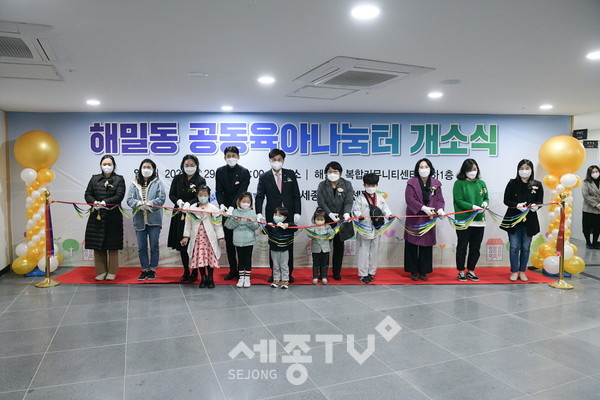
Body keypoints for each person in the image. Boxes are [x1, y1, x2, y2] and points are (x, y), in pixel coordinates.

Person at [255, 148, 301, 283]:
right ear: (270, 160)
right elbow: (259, 196)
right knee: (273, 244)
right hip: (273, 215)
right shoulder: (264, 177)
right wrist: (258, 212)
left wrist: (297, 212)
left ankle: (288, 273)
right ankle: (274, 273)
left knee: (288, 244)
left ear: (283, 160)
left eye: (279, 159)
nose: (276, 162)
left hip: (288, 215)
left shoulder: (290, 174)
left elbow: (296, 195)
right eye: (274, 159)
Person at [84, 155, 126, 281]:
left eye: (109, 164)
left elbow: (119, 196)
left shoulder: (119, 179)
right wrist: (93, 202)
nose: (107, 166)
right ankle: (101, 271)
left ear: (114, 165)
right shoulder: (94, 179)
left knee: (112, 245)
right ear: (101, 165)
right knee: (98, 245)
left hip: (113, 217)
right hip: (96, 216)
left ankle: (112, 271)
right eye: (104, 164)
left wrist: (105, 202)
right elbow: (87, 194)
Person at [501, 159, 543, 281]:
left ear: (531, 170)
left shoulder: (537, 184)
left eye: (527, 168)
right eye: (522, 168)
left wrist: (536, 206)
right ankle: (514, 271)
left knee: (525, 247)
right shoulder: (512, 183)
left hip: (529, 221)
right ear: (518, 170)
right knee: (514, 247)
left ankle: (522, 271)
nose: (524, 171)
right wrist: (517, 205)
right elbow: (506, 200)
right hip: (513, 220)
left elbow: (540, 201)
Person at [404, 159, 445, 281]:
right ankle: (413, 270)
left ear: (430, 168)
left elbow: (439, 200)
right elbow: (409, 199)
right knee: (412, 244)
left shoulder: (436, 184)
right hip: (415, 218)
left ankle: (423, 271)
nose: (424, 169)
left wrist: (440, 210)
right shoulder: (411, 183)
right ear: (417, 170)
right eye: (421, 167)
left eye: (426, 166)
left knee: (426, 245)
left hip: (428, 219)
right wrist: (423, 208)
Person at [167, 154, 206, 282]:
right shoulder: (177, 178)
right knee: (182, 242)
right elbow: (172, 194)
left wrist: (190, 203)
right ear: (183, 166)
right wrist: (178, 201)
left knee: (194, 242)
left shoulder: (200, 180)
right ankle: (186, 270)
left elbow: (202, 196)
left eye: (192, 165)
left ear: (196, 166)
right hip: (179, 214)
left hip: (194, 214)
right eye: (187, 165)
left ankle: (195, 271)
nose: (189, 167)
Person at [126, 159, 166, 281]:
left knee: (154, 245)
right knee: (141, 247)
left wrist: (150, 204)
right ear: (140, 169)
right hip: (139, 221)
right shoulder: (134, 184)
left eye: (149, 167)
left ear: (153, 169)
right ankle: (144, 269)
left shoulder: (158, 183)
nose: (146, 169)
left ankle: (152, 269)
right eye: (144, 167)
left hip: (154, 221)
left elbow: (161, 198)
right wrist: (138, 204)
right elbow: (129, 199)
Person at [215, 146, 251, 281]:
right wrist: (221, 205)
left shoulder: (244, 172)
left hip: (239, 210)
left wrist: (232, 206)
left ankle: (242, 270)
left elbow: (241, 192)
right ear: (225, 157)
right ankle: (233, 270)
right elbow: (219, 190)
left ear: (238, 157)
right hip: (225, 212)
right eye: (228, 156)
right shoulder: (220, 171)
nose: (231, 158)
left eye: (233, 156)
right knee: (229, 243)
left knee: (241, 242)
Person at [181, 185, 224, 289]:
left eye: (205, 195)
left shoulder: (213, 208)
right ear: (197, 195)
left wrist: (221, 237)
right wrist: (186, 236)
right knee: (200, 258)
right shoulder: (192, 208)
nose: (203, 197)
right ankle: (203, 278)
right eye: (200, 195)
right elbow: (188, 223)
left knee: (209, 259)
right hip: (198, 239)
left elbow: (218, 224)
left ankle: (210, 278)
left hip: (209, 239)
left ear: (209, 195)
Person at [316, 161, 354, 280]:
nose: (332, 174)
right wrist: (330, 214)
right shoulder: (322, 185)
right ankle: (323, 273)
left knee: (339, 247)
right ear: (326, 173)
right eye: (330, 171)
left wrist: (346, 213)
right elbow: (321, 202)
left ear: (340, 173)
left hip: (341, 220)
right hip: (326, 220)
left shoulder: (347, 184)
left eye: (335, 171)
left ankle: (337, 272)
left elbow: (349, 201)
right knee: (324, 247)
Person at [452, 158, 489, 282]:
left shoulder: (481, 183)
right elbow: (459, 201)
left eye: (475, 169)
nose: (473, 172)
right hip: (464, 220)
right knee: (462, 246)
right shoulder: (459, 183)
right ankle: (461, 271)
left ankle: (471, 270)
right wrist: (473, 207)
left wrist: (485, 203)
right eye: (470, 169)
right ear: (464, 170)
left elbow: (486, 197)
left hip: (479, 221)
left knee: (475, 247)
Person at [352, 173, 392, 283]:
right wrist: (359, 215)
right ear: (364, 185)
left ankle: (371, 272)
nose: (371, 187)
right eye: (369, 185)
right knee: (363, 251)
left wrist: (389, 215)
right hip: (364, 228)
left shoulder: (380, 197)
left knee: (374, 251)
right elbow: (355, 210)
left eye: (373, 185)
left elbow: (385, 209)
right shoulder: (359, 198)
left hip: (377, 227)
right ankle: (363, 274)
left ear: (377, 185)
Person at [224, 192, 259, 288]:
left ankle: (247, 278)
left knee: (247, 259)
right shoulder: (234, 212)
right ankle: (241, 277)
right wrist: (235, 221)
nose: (245, 204)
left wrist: (250, 222)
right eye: (244, 201)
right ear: (239, 202)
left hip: (249, 240)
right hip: (238, 240)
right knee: (240, 259)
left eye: (248, 202)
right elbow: (229, 226)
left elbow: (256, 226)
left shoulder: (252, 212)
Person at [264, 206, 296, 289]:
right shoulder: (272, 224)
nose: (276, 216)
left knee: (284, 265)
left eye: (279, 215)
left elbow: (295, 228)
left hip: (284, 249)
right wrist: (268, 226)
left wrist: (287, 225)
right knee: (275, 265)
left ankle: (285, 280)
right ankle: (276, 280)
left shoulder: (287, 225)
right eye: (275, 214)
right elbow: (263, 232)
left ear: (284, 217)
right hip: (274, 248)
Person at [308, 207, 334, 285]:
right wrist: (312, 232)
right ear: (314, 219)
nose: (320, 221)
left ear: (324, 219)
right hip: (316, 249)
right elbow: (309, 234)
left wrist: (330, 234)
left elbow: (332, 234)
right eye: (318, 219)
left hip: (325, 249)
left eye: (321, 219)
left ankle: (324, 276)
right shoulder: (312, 226)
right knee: (315, 264)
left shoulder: (327, 226)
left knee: (324, 264)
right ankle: (315, 277)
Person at [582, 165, 600, 249]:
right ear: (589, 173)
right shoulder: (586, 182)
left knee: (597, 227)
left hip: (599, 210)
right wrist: (596, 204)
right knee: (587, 227)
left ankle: (595, 243)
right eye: (593, 172)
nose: (595, 173)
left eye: (596, 171)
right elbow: (585, 195)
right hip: (589, 209)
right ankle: (588, 243)